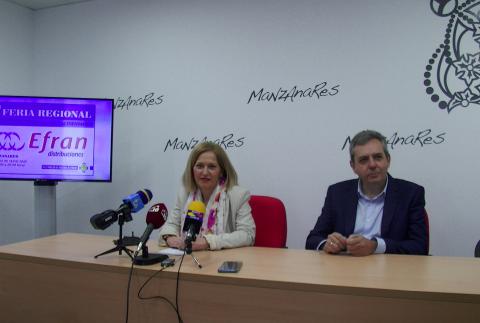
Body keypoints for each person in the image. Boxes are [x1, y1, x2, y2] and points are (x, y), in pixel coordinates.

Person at [305, 130, 428, 256]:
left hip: (391, 270)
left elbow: (419, 246)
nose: (372, 164)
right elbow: (312, 239)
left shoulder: (410, 194)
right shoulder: (337, 193)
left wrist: (376, 246)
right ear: (353, 166)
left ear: (388, 160)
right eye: (364, 160)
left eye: (378, 157)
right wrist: (328, 244)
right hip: (344, 269)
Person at [159, 142, 255, 251]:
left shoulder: (238, 195)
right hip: (188, 261)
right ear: (192, 170)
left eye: (211, 167)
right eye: (199, 166)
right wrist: (170, 237)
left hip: (223, 260)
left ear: (222, 171)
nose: (205, 172)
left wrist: (208, 242)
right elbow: (171, 225)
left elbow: (247, 235)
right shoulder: (185, 194)